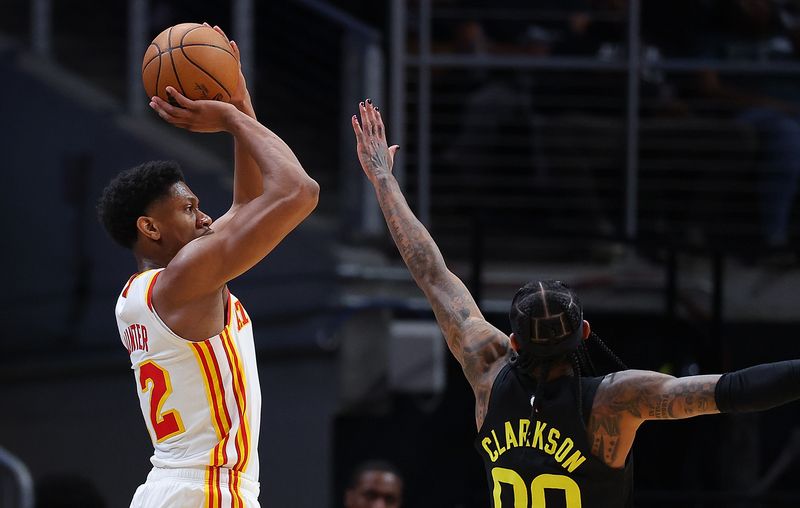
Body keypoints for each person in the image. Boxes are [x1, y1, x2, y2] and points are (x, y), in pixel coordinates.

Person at [351, 98, 800, 507]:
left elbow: (431, 273)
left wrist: (383, 180)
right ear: (584, 332)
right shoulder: (616, 401)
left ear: (513, 341)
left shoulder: (486, 367)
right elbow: (734, 390)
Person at [97, 25, 318, 507]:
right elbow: (299, 191)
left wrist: (240, 102)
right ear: (150, 228)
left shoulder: (153, 289)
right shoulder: (184, 280)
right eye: (189, 209)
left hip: (174, 489)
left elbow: (253, 201)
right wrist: (230, 120)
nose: (206, 216)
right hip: (206, 491)